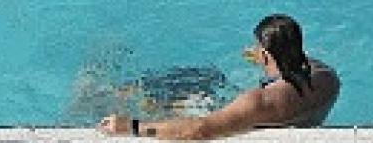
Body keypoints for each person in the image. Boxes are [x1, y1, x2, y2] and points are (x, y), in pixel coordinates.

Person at [97, 14, 340, 139]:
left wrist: (133, 127)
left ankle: (110, 94)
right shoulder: (327, 79)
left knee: (199, 85)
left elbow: (199, 131)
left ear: (265, 55)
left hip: (224, 118)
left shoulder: (259, 101)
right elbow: (300, 63)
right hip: (295, 114)